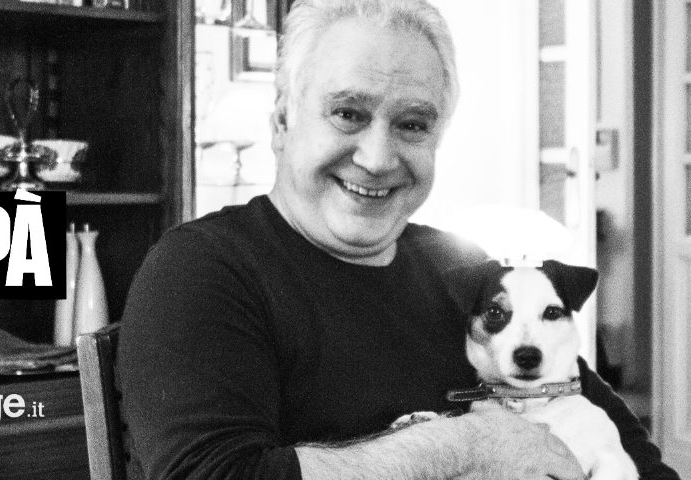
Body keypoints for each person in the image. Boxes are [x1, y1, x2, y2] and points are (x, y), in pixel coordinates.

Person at [118, 1, 680, 479]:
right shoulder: (201, 270)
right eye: (347, 113)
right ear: (282, 121)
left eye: (412, 124)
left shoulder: (461, 268)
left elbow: (630, 454)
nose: (378, 158)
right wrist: (465, 446)